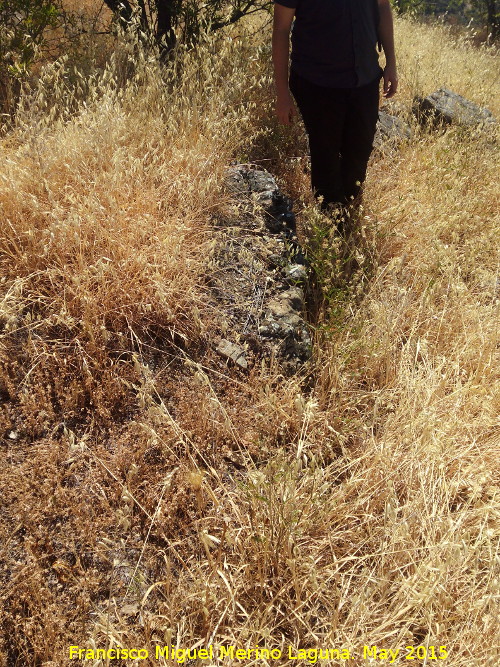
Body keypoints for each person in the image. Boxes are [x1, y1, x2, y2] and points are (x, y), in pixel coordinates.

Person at [272, 0, 398, 226]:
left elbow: (382, 6)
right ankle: (331, 234)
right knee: (326, 159)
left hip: (365, 79)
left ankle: (349, 224)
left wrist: (391, 63)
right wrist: (282, 94)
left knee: (358, 157)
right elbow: (281, 29)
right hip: (317, 83)